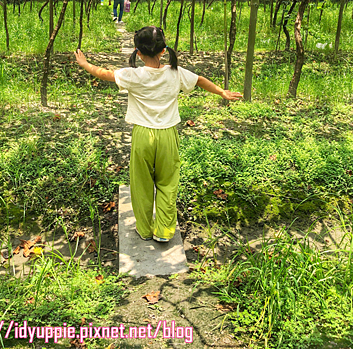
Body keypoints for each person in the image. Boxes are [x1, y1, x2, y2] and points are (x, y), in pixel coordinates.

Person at [74, 26, 242, 243]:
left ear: (138, 52)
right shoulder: (176, 72)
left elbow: (104, 74)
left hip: (143, 135)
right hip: (167, 136)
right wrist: (222, 92)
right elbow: (199, 80)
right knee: (167, 183)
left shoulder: (133, 75)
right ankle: (163, 231)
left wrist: (85, 64)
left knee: (141, 184)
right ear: (164, 50)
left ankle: (144, 229)